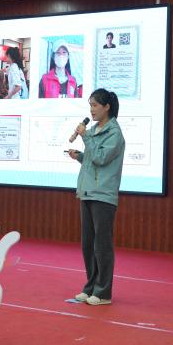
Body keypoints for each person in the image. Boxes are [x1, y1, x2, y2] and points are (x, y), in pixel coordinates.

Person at [68, 89, 125, 305]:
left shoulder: (114, 133)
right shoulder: (94, 130)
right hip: (87, 191)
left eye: (94, 105)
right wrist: (80, 156)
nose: (91, 110)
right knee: (88, 244)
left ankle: (103, 292)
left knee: (102, 245)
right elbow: (93, 159)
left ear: (106, 107)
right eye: (90, 105)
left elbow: (101, 158)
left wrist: (85, 137)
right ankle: (91, 286)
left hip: (103, 194)